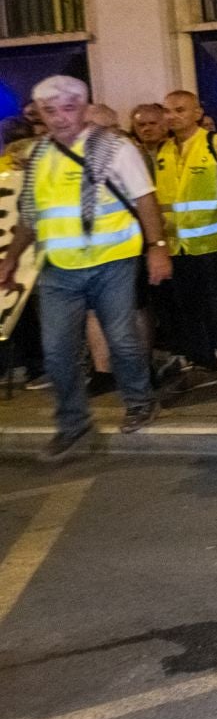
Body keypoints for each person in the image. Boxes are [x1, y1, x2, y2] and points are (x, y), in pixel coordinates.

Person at [0, 76, 171, 458]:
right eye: (50, 110)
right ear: (39, 113)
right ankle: (73, 423)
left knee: (122, 339)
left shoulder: (114, 148)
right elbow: (31, 214)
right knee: (57, 350)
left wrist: (156, 248)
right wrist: (10, 259)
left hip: (112, 259)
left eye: (68, 108)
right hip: (59, 266)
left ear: (82, 106)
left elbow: (145, 199)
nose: (60, 117)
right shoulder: (39, 154)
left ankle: (140, 402)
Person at [152, 90, 217, 391]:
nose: (172, 116)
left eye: (180, 110)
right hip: (179, 247)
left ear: (197, 112)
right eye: (167, 111)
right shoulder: (163, 151)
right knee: (190, 309)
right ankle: (202, 364)